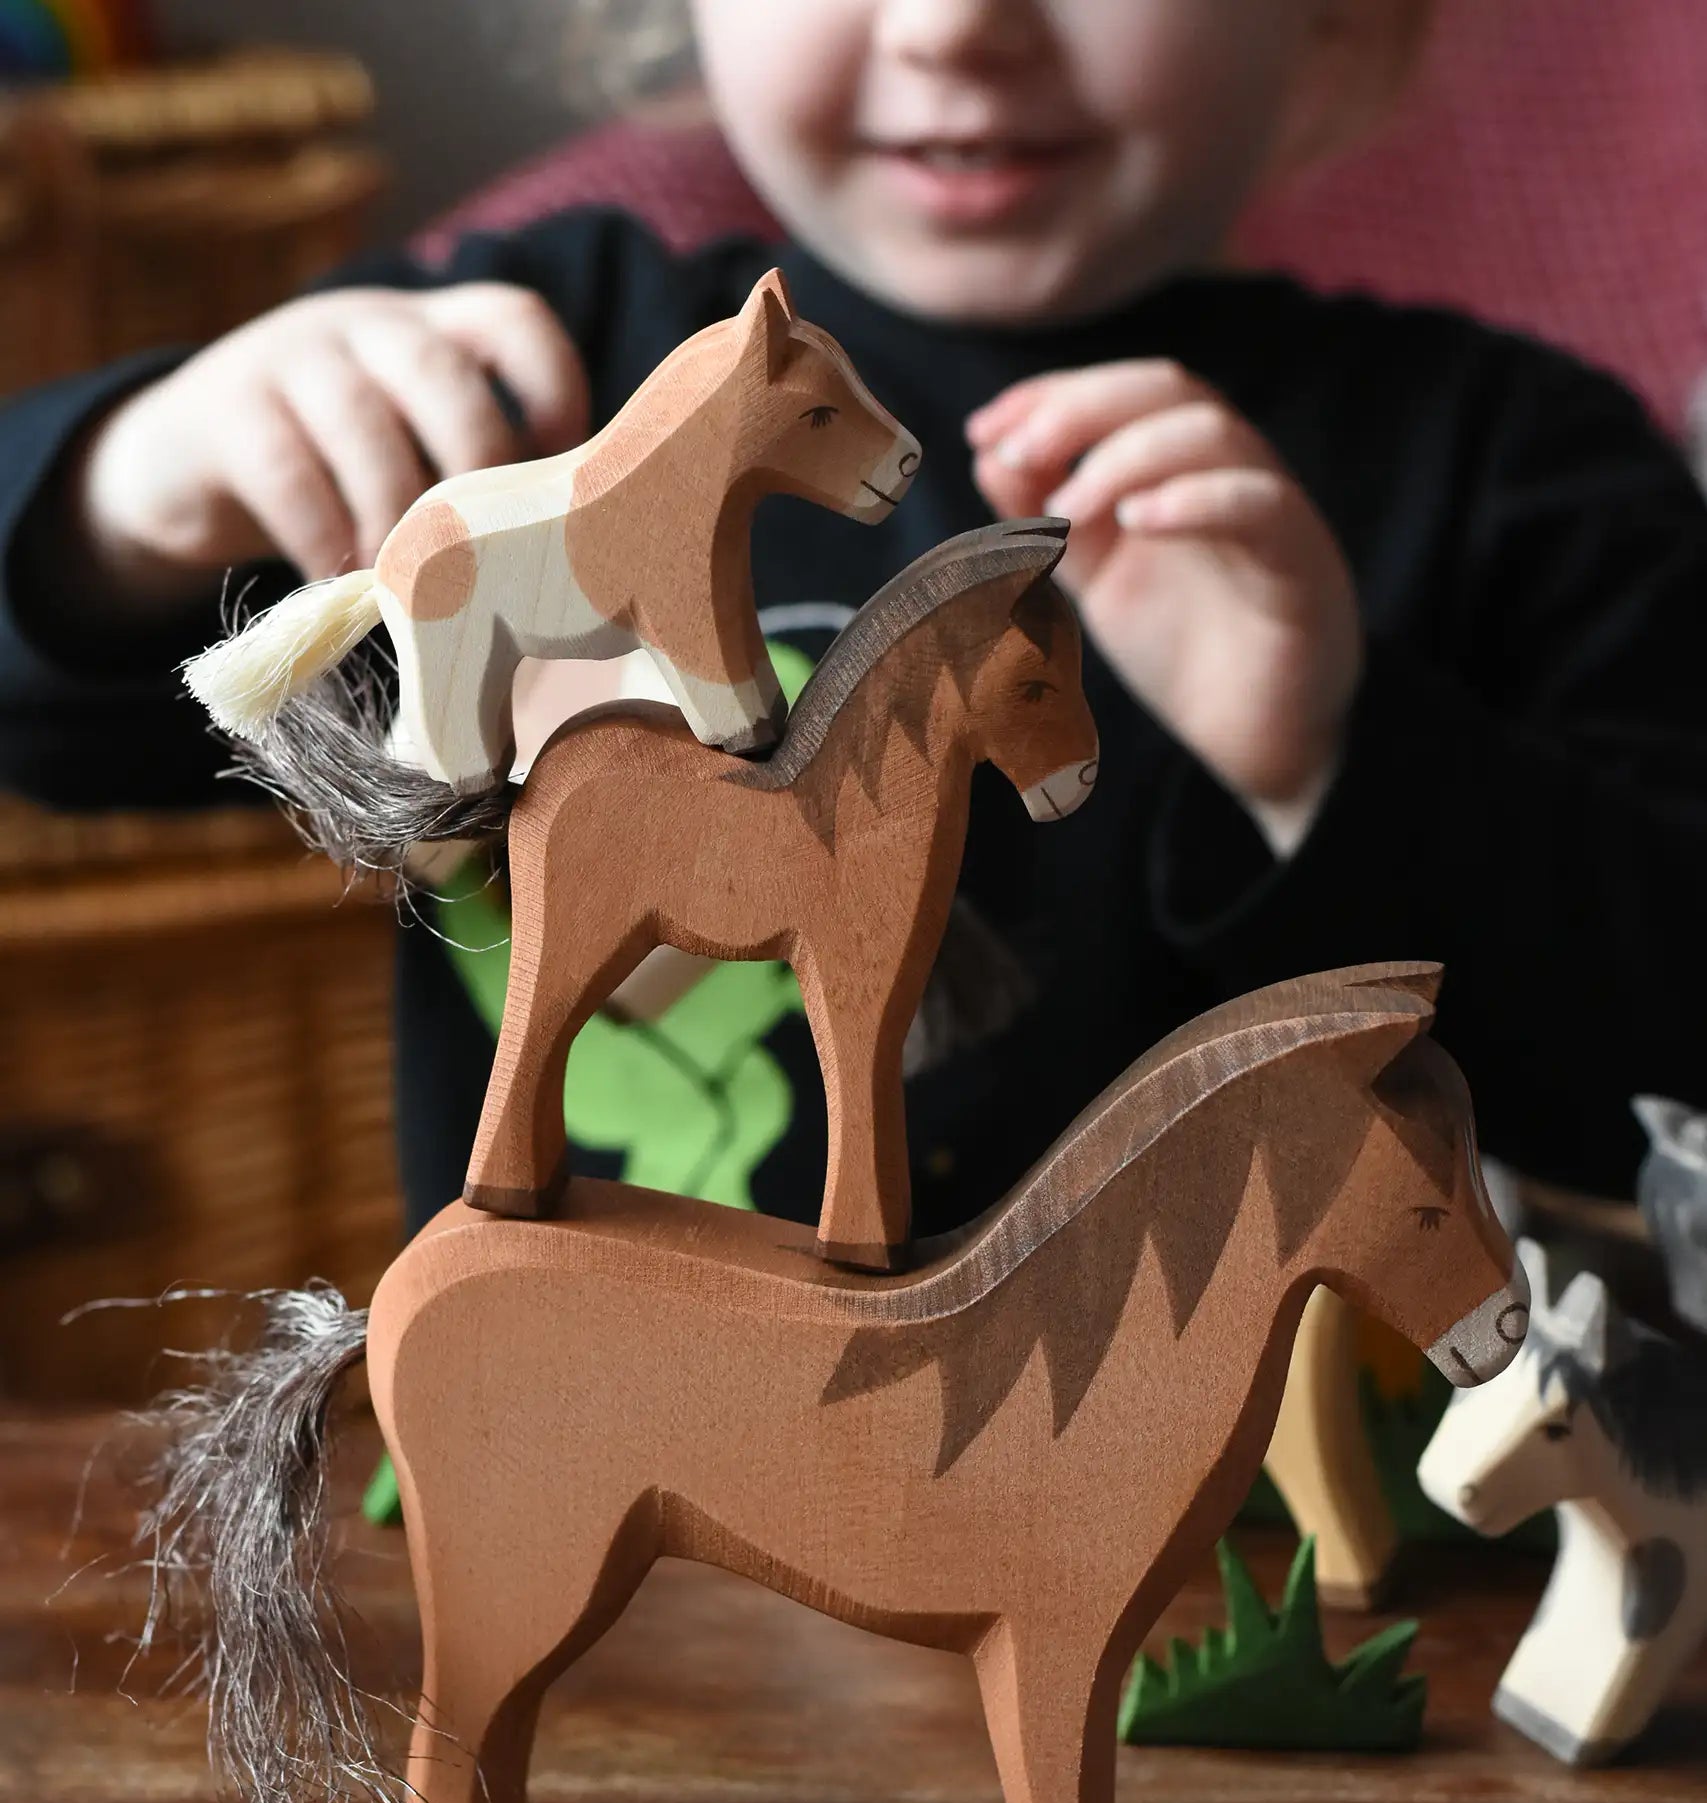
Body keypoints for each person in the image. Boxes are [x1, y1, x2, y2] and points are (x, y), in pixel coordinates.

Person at [3, 0, 1706, 1244]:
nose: (961, 25)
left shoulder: (1516, 471)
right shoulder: (533, 371)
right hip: (616, 1519)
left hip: (1260, 1581)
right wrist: (132, 492)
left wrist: (1333, 750)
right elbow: (69, 727)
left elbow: (1666, 1074)